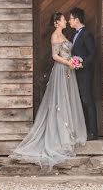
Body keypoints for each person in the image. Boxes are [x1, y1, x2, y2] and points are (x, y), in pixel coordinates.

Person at [10, 12, 87, 168]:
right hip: (60, 70)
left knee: (68, 99)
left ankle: (68, 134)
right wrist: (68, 62)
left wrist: (74, 61)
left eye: (66, 19)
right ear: (57, 22)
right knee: (60, 101)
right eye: (64, 19)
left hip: (68, 71)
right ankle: (59, 136)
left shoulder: (64, 35)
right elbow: (54, 56)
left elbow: (66, 52)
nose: (66, 21)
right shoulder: (55, 36)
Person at [68, 7, 98, 140]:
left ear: (77, 19)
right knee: (81, 100)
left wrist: (82, 64)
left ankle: (93, 132)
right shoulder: (76, 34)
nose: (69, 21)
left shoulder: (86, 34)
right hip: (78, 74)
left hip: (85, 73)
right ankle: (84, 130)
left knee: (88, 101)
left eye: (70, 19)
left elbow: (92, 53)